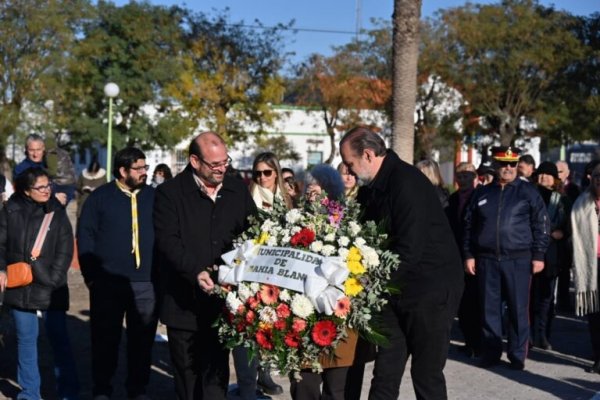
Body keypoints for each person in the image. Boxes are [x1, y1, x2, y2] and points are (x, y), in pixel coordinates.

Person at [339, 127, 463, 400]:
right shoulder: (371, 188)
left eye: (350, 163)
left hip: (430, 291)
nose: (348, 171)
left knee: (426, 374)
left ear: (368, 155)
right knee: (385, 372)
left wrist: (371, 284)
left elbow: (410, 249)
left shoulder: (407, 182)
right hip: (393, 292)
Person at [154, 132, 256, 400]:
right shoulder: (169, 193)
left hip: (222, 304)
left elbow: (255, 234)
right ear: (195, 161)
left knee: (215, 381)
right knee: (188, 380)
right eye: (215, 164)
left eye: (225, 161)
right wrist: (195, 271)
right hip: (183, 304)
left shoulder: (236, 190)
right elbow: (168, 242)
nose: (222, 168)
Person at [77, 148, 157, 400]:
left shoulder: (155, 197)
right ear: (123, 171)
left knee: (142, 341)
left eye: (145, 167)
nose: (145, 172)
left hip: (146, 282)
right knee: (105, 340)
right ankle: (102, 389)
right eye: (139, 168)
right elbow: (86, 236)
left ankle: (137, 389)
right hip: (107, 283)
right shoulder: (100, 198)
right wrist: (92, 277)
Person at [463, 146, 549, 371]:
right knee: (488, 308)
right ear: (496, 164)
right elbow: (469, 226)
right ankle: (491, 352)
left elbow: (541, 224)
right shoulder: (482, 193)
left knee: (518, 308)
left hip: (518, 259)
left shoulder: (528, 192)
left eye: (512, 164)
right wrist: (469, 255)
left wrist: (538, 255)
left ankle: (517, 354)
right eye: (503, 164)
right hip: (486, 259)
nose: (508, 168)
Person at [0, 167, 75, 400]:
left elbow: (65, 248)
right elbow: (0, 245)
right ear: (25, 190)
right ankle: (30, 394)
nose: (47, 190)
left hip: (52, 285)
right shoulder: (9, 210)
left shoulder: (57, 212)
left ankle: (69, 392)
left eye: (48, 185)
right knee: (26, 341)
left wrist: (53, 277)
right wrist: (1, 268)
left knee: (59, 339)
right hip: (20, 284)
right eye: (40, 187)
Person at [289, 163, 357, 400]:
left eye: (318, 191)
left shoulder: (351, 225)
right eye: (308, 191)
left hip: (339, 317)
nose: (312, 196)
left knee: (336, 390)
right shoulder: (290, 224)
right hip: (302, 316)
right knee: (303, 386)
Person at [232, 152, 288, 400]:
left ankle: (264, 374)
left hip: (278, 277)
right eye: (257, 173)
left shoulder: (286, 201)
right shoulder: (246, 199)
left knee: (271, 327)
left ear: (276, 172)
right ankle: (246, 385)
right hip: (250, 275)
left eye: (267, 172)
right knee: (247, 330)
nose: (262, 177)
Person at [530, 161, 568, 350]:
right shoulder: (529, 195)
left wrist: (561, 232)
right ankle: (528, 334)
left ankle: (543, 334)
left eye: (548, 175)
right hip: (530, 251)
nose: (543, 177)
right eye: (541, 174)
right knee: (529, 296)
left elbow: (569, 225)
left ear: (555, 179)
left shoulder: (560, 200)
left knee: (546, 297)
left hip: (551, 254)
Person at [445, 162, 481, 358]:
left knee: (476, 302)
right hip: (457, 256)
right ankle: (469, 341)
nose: (463, 179)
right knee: (463, 302)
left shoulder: (481, 197)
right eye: (460, 175)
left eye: (467, 175)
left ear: (475, 177)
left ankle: (478, 342)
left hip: (476, 257)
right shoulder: (452, 200)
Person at [570, 162, 600, 373]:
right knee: (595, 314)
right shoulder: (582, 203)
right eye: (597, 176)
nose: (599, 180)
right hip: (591, 264)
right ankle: (598, 356)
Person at [13, 134, 75, 206]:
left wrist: (64, 197)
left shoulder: (50, 164)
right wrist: (52, 197)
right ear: (26, 150)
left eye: (38, 150)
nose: (35, 154)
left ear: (43, 148)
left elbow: (68, 184)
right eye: (31, 150)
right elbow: (22, 194)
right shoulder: (21, 169)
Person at [555, 160, 579, 311]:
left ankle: (564, 301)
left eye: (560, 172)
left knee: (564, 270)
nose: (558, 175)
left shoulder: (574, 190)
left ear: (568, 173)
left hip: (568, 238)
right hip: (552, 238)